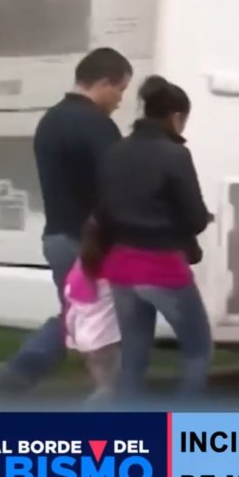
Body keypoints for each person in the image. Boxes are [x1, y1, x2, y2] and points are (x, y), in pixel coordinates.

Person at [0, 48, 133, 392]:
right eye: (120, 89)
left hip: (57, 238)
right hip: (92, 241)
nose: (120, 100)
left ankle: (19, 372)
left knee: (76, 313)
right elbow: (118, 184)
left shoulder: (49, 121)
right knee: (107, 317)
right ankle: (112, 396)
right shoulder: (99, 126)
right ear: (104, 83)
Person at [96, 75, 214, 400]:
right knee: (198, 349)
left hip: (121, 264)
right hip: (161, 265)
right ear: (175, 116)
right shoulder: (175, 155)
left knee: (134, 354)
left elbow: (104, 210)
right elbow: (194, 218)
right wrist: (201, 219)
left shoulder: (116, 150)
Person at [62, 217, 120, 403]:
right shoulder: (112, 272)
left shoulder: (78, 270)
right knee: (110, 387)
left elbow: (71, 310)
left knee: (103, 382)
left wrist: (71, 339)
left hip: (85, 339)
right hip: (106, 339)